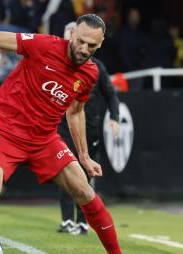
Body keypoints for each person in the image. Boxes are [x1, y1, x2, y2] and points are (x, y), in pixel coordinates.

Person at [0, 13, 149, 254]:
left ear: (101, 43)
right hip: (6, 128)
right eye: (81, 41)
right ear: (71, 34)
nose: (84, 49)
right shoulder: (44, 45)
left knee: (84, 190)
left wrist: (83, 156)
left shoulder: (90, 73)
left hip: (44, 139)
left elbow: (75, 111)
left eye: (92, 46)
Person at [58, 21, 119, 235]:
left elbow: (110, 94)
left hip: (89, 127)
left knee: (86, 175)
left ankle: (83, 221)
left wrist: (115, 117)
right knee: (65, 173)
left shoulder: (96, 68)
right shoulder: (54, 63)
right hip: (62, 127)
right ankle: (67, 220)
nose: (81, 47)